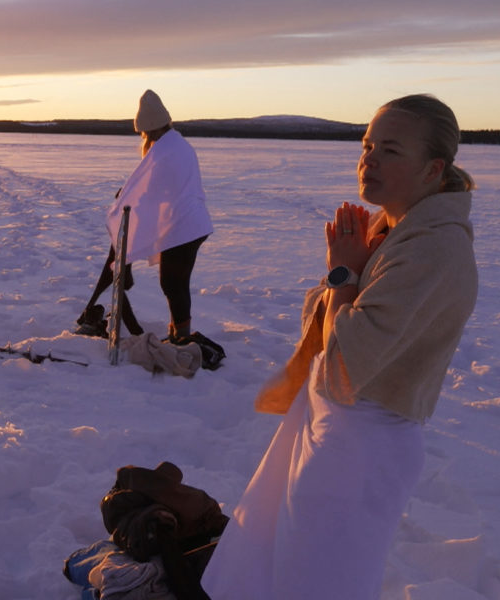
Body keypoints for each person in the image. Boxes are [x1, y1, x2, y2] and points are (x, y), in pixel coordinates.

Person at [200, 94, 478, 599]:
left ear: (432, 168)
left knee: (318, 581)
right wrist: (344, 277)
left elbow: (347, 362)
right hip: (332, 422)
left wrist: (345, 272)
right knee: (272, 562)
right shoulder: (393, 228)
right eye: (368, 145)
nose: (368, 159)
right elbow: (330, 324)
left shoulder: (434, 248)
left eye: (390, 150)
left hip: (364, 441)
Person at [75, 89, 214, 346]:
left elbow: (148, 189)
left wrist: (125, 198)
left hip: (184, 225)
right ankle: (178, 335)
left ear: (149, 130)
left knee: (173, 283)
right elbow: (160, 188)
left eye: (144, 134)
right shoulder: (177, 145)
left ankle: (181, 340)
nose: (144, 138)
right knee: (175, 282)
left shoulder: (165, 150)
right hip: (190, 224)